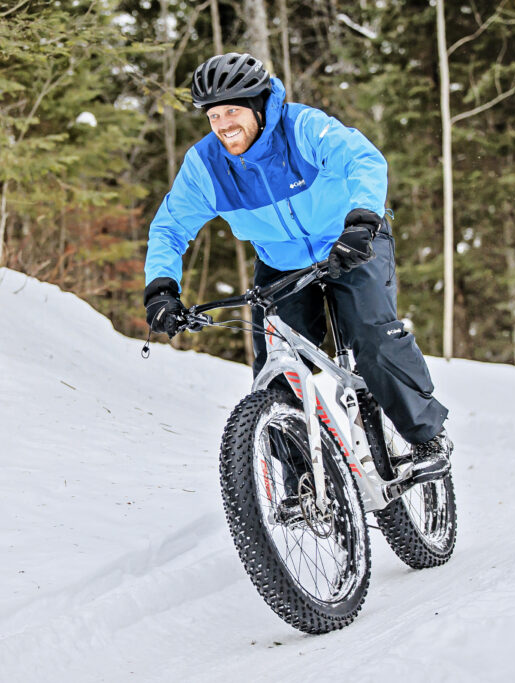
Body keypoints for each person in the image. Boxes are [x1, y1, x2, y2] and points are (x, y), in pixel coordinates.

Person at [142, 52, 452, 483]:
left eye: (232, 110)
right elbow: (170, 227)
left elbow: (363, 160)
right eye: (213, 115)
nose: (223, 124)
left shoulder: (303, 127)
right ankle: (304, 484)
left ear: (256, 105)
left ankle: (424, 438)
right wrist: (161, 287)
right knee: (278, 369)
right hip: (280, 261)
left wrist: (362, 221)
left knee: (372, 336)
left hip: (350, 240)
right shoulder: (206, 166)